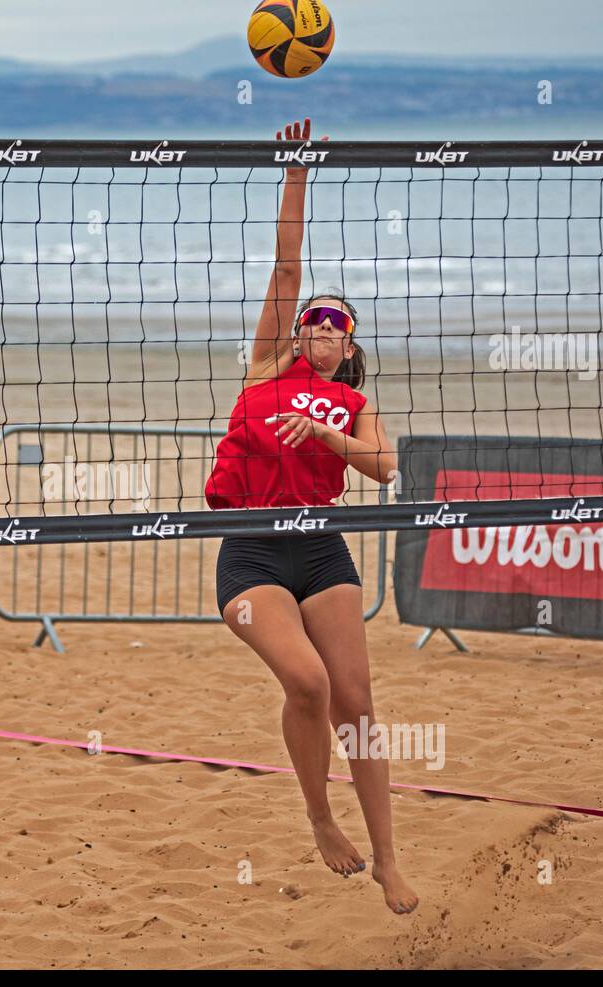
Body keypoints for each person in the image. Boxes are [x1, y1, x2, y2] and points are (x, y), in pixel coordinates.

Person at [205, 117, 418, 915]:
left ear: (349, 346)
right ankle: (321, 816)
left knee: (357, 700)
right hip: (252, 555)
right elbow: (287, 265)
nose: (321, 330)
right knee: (308, 682)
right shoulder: (266, 367)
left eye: (337, 326)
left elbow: (385, 468)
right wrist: (296, 170)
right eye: (313, 321)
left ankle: (390, 857)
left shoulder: (355, 404)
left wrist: (331, 432)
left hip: (319, 548)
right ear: (297, 332)